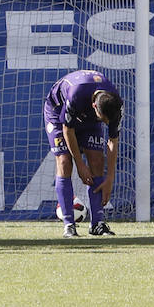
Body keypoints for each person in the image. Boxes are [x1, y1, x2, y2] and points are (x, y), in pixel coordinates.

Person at [44, 70, 122, 238]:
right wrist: (80, 164)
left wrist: (110, 178)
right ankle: (69, 226)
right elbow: (68, 129)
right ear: (95, 106)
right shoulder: (76, 93)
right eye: (103, 120)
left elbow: (112, 141)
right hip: (58, 115)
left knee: (97, 161)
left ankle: (97, 224)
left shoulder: (115, 103)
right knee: (65, 162)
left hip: (88, 120)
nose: (106, 123)